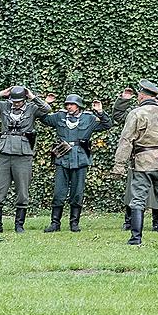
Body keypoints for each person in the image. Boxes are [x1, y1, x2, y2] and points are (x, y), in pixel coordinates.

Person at [113, 79, 158, 246]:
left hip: (143, 163)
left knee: (138, 200)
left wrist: (119, 165)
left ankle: (135, 238)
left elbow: (126, 140)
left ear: (142, 95)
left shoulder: (136, 114)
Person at [37, 93, 112, 233]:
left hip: (81, 157)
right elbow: (43, 118)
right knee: (59, 191)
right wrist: (45, 104)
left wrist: (100, 112)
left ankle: (74, 223)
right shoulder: (60, 116)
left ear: (79, 106)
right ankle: (55, 223)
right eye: (67, 104)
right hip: (62, 156)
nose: (69, 106)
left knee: (77, 192)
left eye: (72, 104)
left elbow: (108, 124)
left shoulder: (88, 118)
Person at [0, 86, 41, 234]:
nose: (16, 103)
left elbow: (46, 109)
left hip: (23, 154)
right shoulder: (4, 106)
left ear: (24, 99)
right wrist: (1, 94)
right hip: (5, 153)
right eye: (13, 100)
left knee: (22, 192)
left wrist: (32, 96)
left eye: (19, 101)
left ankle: (19, 225)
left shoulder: (32, 108)